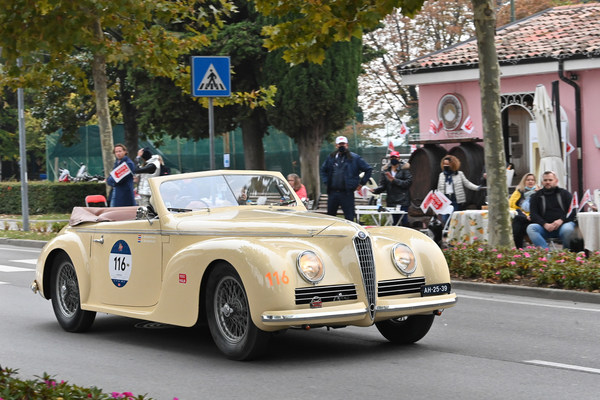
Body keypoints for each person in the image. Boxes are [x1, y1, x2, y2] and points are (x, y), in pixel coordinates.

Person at [320, 135, 373, 221]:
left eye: (343, 144)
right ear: (336, 145)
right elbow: (323, 170)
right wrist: (326, 182)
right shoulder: (331, 158)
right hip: (333, 193)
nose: (342, 146)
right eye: (340, 144)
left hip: (347, 193)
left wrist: (361, 184)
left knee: (349, 218)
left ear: (347, 145)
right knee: (330, 218)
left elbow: (368, 169)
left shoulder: (355, 158)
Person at [526, 171, 576, 250]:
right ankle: (547, 254)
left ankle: (566, 254)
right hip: (544, 227)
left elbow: (573, 211)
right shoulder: (536, 196)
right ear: (542, 182)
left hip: (563, 225)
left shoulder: (565, 194)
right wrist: (544, 224)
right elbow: (533, 214)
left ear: (556, 181)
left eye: (550, 180)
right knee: (531, 228)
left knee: (568, 229)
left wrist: (561, 220)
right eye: (545, 180)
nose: (547, 182)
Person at [370, 151, 412, 226]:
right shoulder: (386, 170)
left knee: (404, 221)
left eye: (395, 157)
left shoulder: (404, 169)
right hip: (391, 200)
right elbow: (383, 185)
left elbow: (408, 183)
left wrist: (394, 180)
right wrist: (375, 190)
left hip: (403, 200)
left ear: (399, 158)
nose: (394, 159)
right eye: (392, 157)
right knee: (395, 222)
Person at [437, 155, 481, 222]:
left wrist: (477, 188)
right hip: (445, 199)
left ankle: (452, 231)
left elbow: (467, 183)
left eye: (448, 164)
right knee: (445, 218)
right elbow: (439, 188)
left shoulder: (459, 174)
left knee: (455, 217)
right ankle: (449, 230)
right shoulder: (442, 175)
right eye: (444, 164)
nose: (446, 166)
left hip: (456, 199)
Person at [509, 173, 540, 248]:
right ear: (524, 181)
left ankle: (518, 248)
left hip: (535, 217)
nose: (530, 182)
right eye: (528, 180)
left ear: (535, 181)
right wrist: (520, 212)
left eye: (532, 180)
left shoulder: (539, 192)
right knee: (518, 221)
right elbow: (510, 205)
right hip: (522, 216)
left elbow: (542, 207)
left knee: (517, 223)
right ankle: (519, 248)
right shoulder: (519, 191)